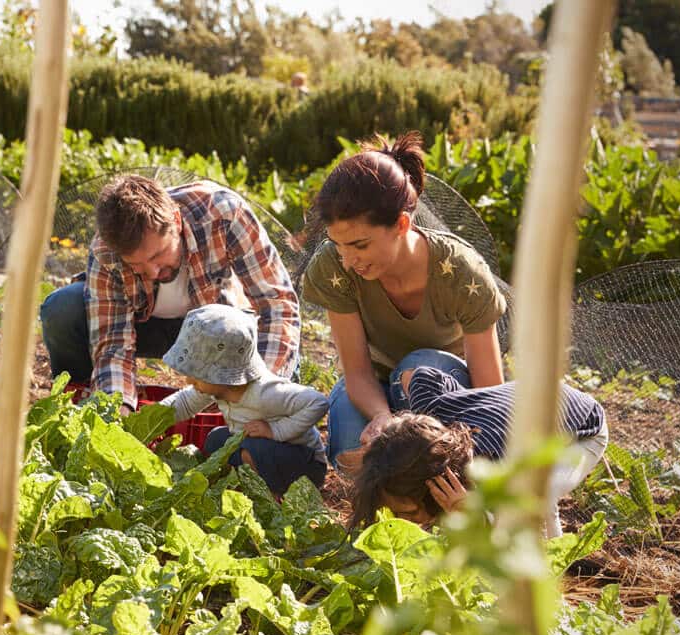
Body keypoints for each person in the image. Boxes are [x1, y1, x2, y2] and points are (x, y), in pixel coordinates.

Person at [299, 131, 507, 469]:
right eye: (339, 245)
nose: (349, 261)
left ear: (401, 223)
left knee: (417, 368)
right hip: (373, 388)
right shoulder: (332, 267)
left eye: (360, 245)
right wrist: (383, 418)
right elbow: (357, 371)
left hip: (443, 391)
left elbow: (490, 393)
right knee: (351, 459)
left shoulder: (460, 271)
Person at [40, 175, 300, 414]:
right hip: (145, 327)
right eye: (137, 266)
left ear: (176, 221)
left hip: (218, 333)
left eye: (157, 256)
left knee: (267, 404)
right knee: (63, 308)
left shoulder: (223, 213)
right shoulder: (106, 250)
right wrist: (115, 409)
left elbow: (277, 305)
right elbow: (113, 344)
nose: (152, 272)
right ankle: (79, 406)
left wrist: (259, 392)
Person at [347, 366, 609, 537]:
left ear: (439, 489)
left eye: (411, 514)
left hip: (582, 430)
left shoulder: (490, 464)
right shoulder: (430, 416)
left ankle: (552, 564)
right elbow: (423, 376)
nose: (410, 523)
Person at [159, 304, 328, 496]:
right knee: (216, 440)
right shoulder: (216, 386)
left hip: (304, 464)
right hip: (264, 450)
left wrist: (276, 431)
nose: (190, 381)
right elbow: (184, 403)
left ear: (222, 375)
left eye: (196, 375)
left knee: (253, 449)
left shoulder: (266, 393)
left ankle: (268, 499)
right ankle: (241, 489)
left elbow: (318, 402)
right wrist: (147, 418)